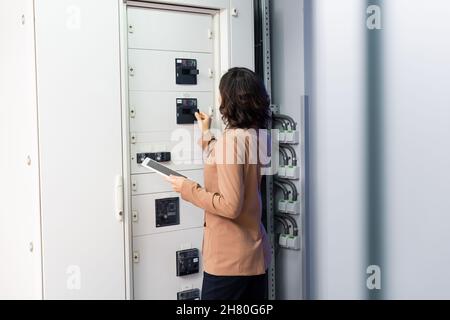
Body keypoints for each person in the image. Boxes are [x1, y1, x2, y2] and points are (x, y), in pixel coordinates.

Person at [166, 67, 272, 300]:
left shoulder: (230, 142)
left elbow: (230, 206)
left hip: (229, 263)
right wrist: (207, 136)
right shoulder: (258, 136)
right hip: (255, 256)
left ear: (229, 99)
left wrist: (188, 189)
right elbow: (233, 161)